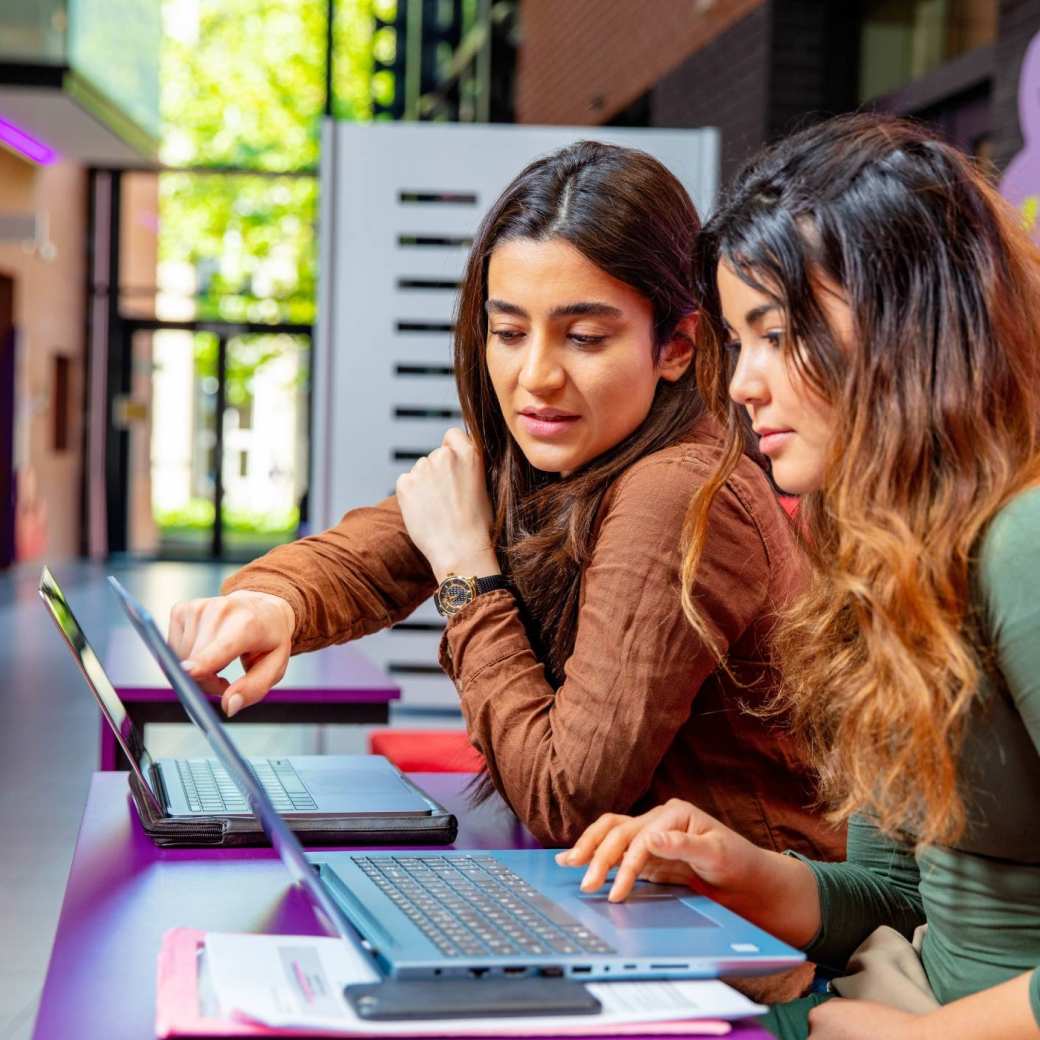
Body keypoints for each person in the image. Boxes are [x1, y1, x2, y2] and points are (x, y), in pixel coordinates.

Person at [167, 141, 841, 869]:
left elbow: (565, 799)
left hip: (747, 941)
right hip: (645, 903)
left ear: (676, 346)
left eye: (584, 337)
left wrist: (465, 575)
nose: (536, 376)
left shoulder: (674, 490)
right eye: (509, 332)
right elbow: (388, 542)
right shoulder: (571, 456)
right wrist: (273, 603)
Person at [558, 114, 1040, 1039]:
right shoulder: (886, 553)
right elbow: (897, 894)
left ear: (909, 324)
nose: (743, 382)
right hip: (896, 999)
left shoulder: (1020, 543)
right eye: (741, 342)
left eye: (776, 334)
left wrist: (932, 1035)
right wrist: (735, 868)